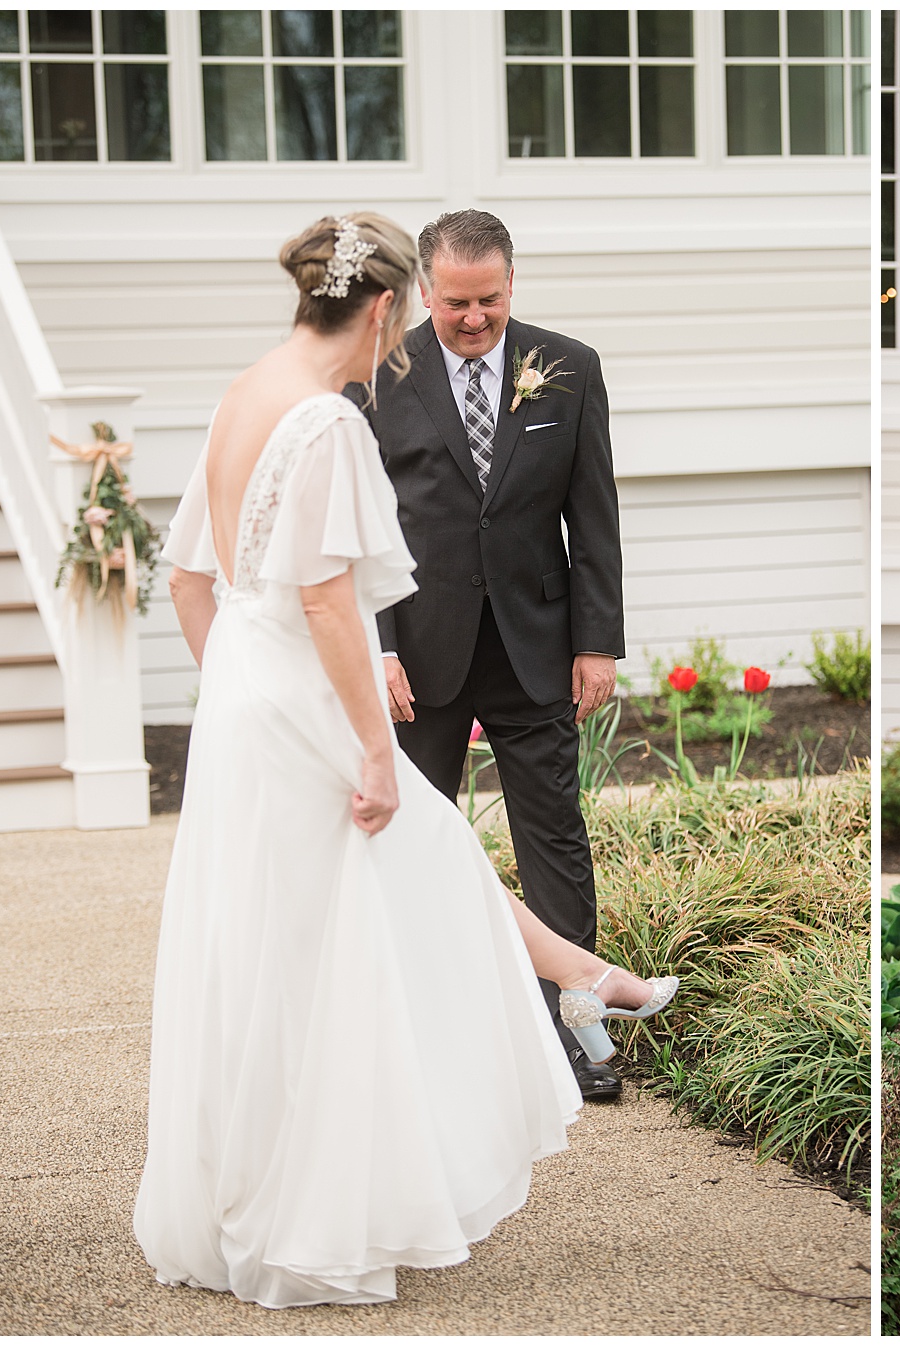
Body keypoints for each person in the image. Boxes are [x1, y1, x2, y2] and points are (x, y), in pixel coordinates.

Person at [134, 213, 676, 1309]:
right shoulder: (332, 420)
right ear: (393, 304)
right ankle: (574, 986)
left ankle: (575, 983)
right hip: (321, 696)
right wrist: (372, 747)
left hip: (251, 706)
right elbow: (332, 598)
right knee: (386, 876)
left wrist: (238, 682)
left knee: (281, 939)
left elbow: (190, 577)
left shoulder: (245, 391)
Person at [356, 209, 628, 1102]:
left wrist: (596, 643)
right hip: (417, 656)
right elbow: (363, 530)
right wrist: (379, 648)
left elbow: (592, 518)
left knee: (553, 836)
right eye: (456, 302)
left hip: (534, 646)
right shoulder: (379, 375)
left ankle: (575, 1035)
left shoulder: (570, 367)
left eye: (491, 299)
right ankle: (421, 1033)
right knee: (409, 845)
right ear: (424, 291)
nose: (475, 319)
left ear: (514, 282)